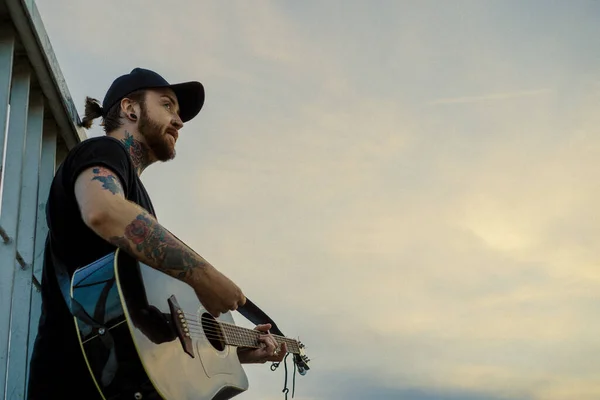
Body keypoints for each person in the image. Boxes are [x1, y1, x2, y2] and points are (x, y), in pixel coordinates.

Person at [27, 67, 286, 399]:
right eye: (167, 105)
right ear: (130, 109)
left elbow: (146, 328)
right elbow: (102, 211)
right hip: (72, 379)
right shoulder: (104, 152)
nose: (178, 121)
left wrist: (240, 352)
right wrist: (205, 276)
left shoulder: (141, 207)